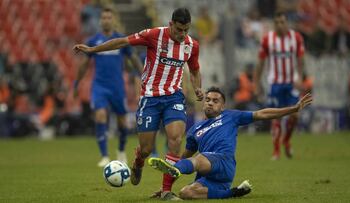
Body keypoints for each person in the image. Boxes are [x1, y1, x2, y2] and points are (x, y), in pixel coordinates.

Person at [73, 8, 203, 200]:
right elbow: (122, 41)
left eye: (186, 30)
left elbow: (194, 70)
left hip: (174, 97)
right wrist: (93, 50)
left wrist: (198, 88)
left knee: (175, 139)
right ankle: (138, 162)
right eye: (178, 30)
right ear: (170, 24)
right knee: (146, 149)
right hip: (150, 98)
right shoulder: (153, 35)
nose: (182, 34)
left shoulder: (191, 45)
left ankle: (166, 190)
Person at [148, 87, 313, 200]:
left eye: (215, 100)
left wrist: (293, 109)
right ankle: (231, 193)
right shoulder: (194, 130)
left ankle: (175, 170)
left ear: (222, 106)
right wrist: (167, 186)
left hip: (223, 162)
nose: (210, 103)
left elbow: (262, 114)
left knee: (198, 159)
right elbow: (185, 157)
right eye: (208, 100)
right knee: (186, 193)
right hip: (209, 175)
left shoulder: (231, 116)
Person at [73, 7, 143, 167]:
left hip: (117, 87)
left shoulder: (121, 40)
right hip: (99, 86)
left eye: (108, 18)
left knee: (122, 122)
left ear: (113, 20)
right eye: (103, 18)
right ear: (100, 20)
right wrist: (76, 83)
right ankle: (104, 156)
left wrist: (143, 75)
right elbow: (84, 65)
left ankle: (121, 151)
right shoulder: (93, 41)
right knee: (100, 116)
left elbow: (133, 59)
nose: (106, 20)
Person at [254, 11, 305, 160]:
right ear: (274, 24)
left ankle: (286, 140)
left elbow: (301, 59)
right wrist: (256, 83)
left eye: (282, 22)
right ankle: (276, 151)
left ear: (287, 23)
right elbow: (260, 63)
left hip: (291, 83)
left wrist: (300, 77)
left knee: (295, 115)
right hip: (275, 84)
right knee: (276, 117)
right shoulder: (267, 40)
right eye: (277, 22)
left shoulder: (296, 38)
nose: (280, 25)